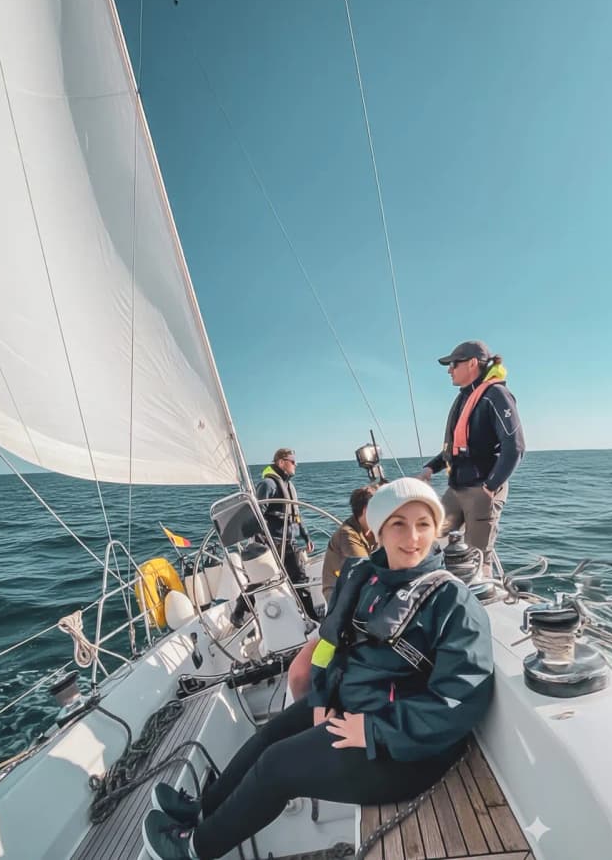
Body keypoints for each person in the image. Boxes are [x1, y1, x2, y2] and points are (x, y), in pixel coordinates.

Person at [141, 478, 495, 860]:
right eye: (398, 524)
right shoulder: (367, 579)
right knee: (267, 737)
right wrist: (323, 697)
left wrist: (374, 729)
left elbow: (459, 700)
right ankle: (203, 809)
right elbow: (331, 650)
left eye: (424, 524)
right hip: (353, 708)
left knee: (277, 767)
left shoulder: (453, 604)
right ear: (377, 530)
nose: (413, 537)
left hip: (403, 748)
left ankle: (194, 850)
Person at [419, 340, 524, 570]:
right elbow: (458, 448)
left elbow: (514, 447)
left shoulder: (496, 395)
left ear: (472, 363)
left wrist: (490, 486)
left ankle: (477, 600)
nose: (449, 370)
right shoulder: (464, 397)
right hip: (456, 489)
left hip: (481, 490)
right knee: (430, 537)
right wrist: (430, 468)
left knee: (477, 558)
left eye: (454, 364)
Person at [254, 448, 315, 616]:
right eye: (293, 461)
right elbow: (258, 514)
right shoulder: (268, 485)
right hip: (274, 542)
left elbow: (295, 515)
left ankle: (312, 617)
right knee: (263, 579)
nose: (296, 465)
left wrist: (306, 536)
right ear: (281, 462)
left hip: (290, 541)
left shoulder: (288, 485)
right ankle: (238, 611)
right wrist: (262, 539)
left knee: (300, 580)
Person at [321, 485, 377, 601]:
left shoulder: (371, 528)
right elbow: (366, 570)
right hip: (337, 592)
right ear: (366, 510)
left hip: (356, 585)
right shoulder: (347, 534)